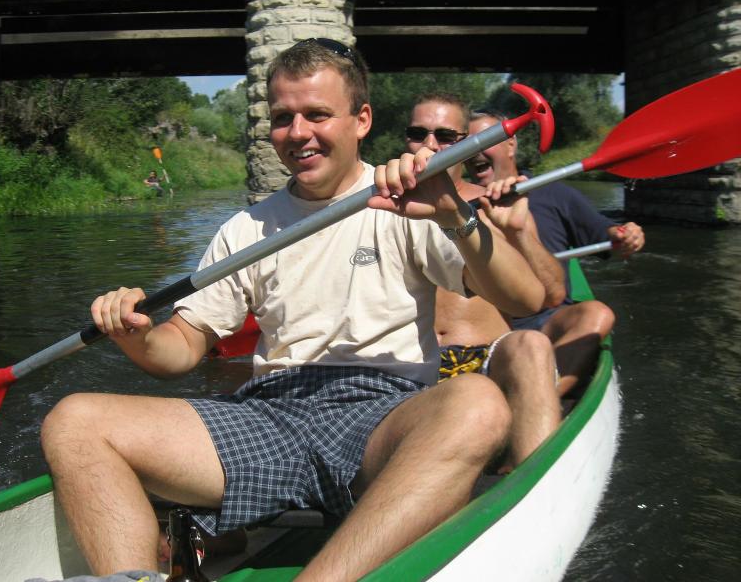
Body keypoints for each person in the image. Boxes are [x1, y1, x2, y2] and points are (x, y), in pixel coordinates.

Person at [38, 39, 545, 582]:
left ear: (361, 120)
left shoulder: (411, 202)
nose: (298, 132)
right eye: (283, 118)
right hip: (271, 413)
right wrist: (136, 334)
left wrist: (453, 213)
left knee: (477, 404)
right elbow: (180, 349)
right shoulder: (247, 229)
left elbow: (525, 300)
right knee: (74, 421)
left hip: (383, 413)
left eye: (317, 115)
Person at [406, 93, 563, 468]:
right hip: (410, 364)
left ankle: (537, 482)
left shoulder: (496, 204)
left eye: (446, 136)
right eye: (418, 134)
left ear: (467, 144)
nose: (431, 145)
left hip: (486, 355)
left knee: (532, 344)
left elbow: (552, 295)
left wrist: (518, 232)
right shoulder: (382, 204)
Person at [466, 108, 646, 395]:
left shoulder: (555, 194)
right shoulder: (456, 205)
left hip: (547, 320)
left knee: (596, 314)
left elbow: (606, 233)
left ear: (510, 145)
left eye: (485, 140)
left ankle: (546, 395)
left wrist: (625, 235)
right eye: (465, 144)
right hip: (489, 325)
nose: (474, 151)